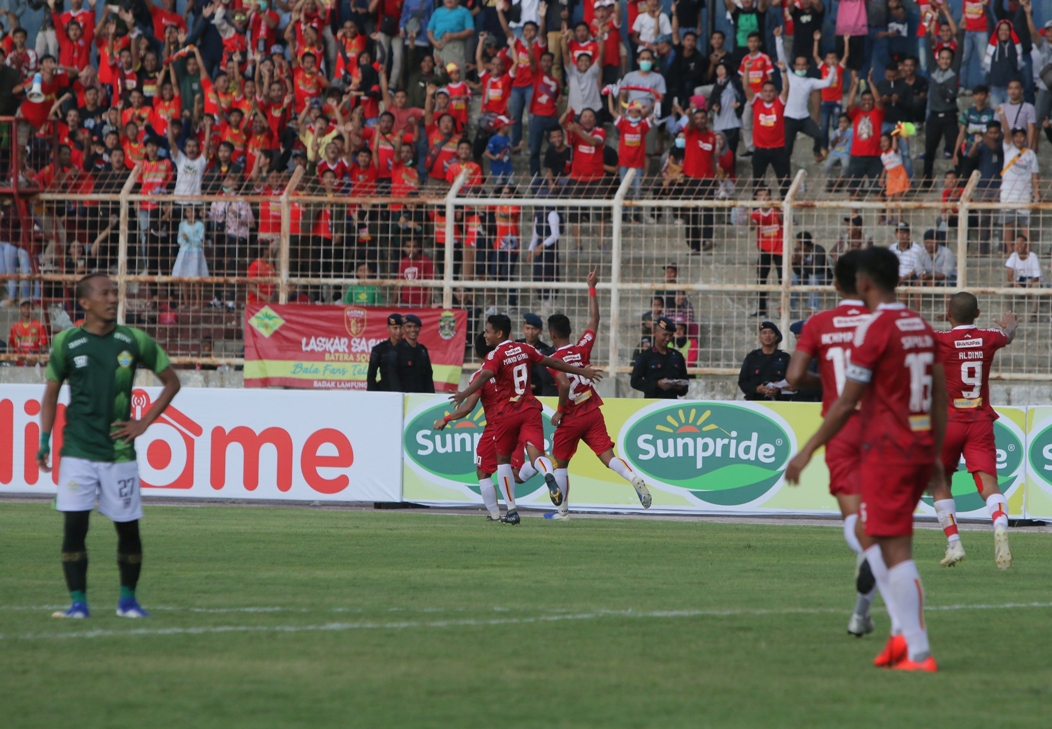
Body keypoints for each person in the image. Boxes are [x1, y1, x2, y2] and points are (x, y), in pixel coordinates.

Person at [786, 247, 946, 673]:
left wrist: (805, 451)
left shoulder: (874, 329)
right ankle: (900, 641)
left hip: (887, 448)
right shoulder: (920, 324)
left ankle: (916, 650)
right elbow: (941, 395)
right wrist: (936, 451)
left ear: (862, 283)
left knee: (892, 550)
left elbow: (842, 404)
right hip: (916, 444)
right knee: (883, 540)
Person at [39, 273, 181, 621]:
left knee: (128, 529)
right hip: (77, 452)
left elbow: (171, 382)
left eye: (115, 292)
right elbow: (52, 393)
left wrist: (143, 423)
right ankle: (78, 604)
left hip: (119, 453)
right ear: (85, 302)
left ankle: (128, 602)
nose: (113, 297)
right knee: (75, 528)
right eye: (105, 293)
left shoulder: (133, 340)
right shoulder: (66, 343)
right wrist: (44, 438)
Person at [787, 249, 883, 637]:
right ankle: (863, 613)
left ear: (834, 284)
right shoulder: (881, 322)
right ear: (866, 285)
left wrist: (828, 382)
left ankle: (867, 580)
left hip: (839, 427)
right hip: (882, 426)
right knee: (883, 523)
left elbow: (793, 377)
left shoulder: (819, 323)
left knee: (854, 517)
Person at [450, 313, 602, 525]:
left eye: (488, 331)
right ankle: (548, 474)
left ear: (499, 333)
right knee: (536, 455)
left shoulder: (496, 355)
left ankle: (511, 510)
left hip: (507, 413)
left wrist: (464, 393)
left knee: (503, 462)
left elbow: (484, 375)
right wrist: (580, 371)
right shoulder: (526, 348)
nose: (486, 335)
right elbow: (553, 362)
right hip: (529, 409)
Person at [545, 269, 653, 519]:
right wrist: (591, 286)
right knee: (608, 457)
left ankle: (562, 513)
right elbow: (595, 319)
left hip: (571, 417)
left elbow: (562, 384)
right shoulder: (582, 347)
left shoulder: (553, 359)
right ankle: (633, 477)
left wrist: (560, 411)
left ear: (551, 335)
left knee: (560, 463)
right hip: (592, 412)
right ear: (571, 331)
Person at [932, 293, 1017, 571]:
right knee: (989, 485)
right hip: (979, 419)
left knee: (941, 482)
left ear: (948, 314)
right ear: (978, 313)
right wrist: (1009, 324)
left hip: (950, 421)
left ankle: (954, 543)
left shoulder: (941, 341)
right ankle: (1000, 526)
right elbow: (1008, 335)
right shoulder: (989, 337)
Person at [743, 67, 791, 195]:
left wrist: (784, 72)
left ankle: (787, 213)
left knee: (785, 183)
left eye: (771, 91)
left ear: (775, 93)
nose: (768, 93)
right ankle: (756, 212)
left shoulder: (779, 103)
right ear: (761, 93)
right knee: (757, 183)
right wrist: (747, 70)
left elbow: (786, 88)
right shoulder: (756, 103)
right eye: (765, 91)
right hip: (760, 150)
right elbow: (746, 87)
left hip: (778, 150)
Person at [845, 70, 886, 197]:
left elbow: (879, 100)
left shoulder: (877, 113)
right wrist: (855, 85)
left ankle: (881, 217)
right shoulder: (856, 112)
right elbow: (850, 103)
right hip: (857, 157)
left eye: (869, 99)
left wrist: (870, 83)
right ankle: (854, 216)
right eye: (864, 99)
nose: (866, 102)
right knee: (854, 190)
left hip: (875, 156)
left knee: (878, 190)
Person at [630, 316, 688, 399]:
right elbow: (635, 382)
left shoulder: (677, 357)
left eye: (670, 335)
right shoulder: (645, 356)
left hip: (672, 404)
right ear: (655, 332)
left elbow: (685, 384)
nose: (667, 339)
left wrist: (679, 387)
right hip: (652, 404)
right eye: (664, 335)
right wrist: (657, 384)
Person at [750, 186, 783, 317]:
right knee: (761, 280)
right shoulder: (756, 213)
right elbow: (752, 227)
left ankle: (784, 308)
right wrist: (747, 214)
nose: (764, 198)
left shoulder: (777, 209)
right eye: (760, 195)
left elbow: (783, 218)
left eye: (766, 195)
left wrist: (775, 206)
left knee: (783, 280)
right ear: (756, 198)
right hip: (764, 249)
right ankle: (762, 309)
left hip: (780, 249)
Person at [738, 320, 790, 401]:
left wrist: (778, 389)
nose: (767, 335)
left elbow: (792, 382)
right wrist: (756, 389)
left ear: (776, 337)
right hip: (755, 403)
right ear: (760, 337)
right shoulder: (752, 357)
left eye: (771, 332)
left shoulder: (785, 358)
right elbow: (742, 381)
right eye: (764, 333)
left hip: (779, 403)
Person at [384, 313, 435, 393]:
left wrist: (431, 396)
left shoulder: (423, 350)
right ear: (403, 329)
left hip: (421, 398)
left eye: (416, 326)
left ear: (419, 329)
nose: (413, 329)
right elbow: (393, 377)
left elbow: (428, 376)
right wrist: (399, 397)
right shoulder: (396, 351)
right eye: (409, 326)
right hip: (404, 399)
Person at [517, 312, 556, 397]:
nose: (530, 332)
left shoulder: (546, 350)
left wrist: (535, 386)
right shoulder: (516, 345)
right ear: (522, 328)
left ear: (540, 330)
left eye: (534, 329)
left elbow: (549, 378)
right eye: (527, 328)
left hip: (537, 394)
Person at [366, 314, 404, 391]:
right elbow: (371, 374)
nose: (398, 331)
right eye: (395, 328)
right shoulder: (379, 349)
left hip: (406, 391)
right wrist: (371, 394)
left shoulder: (409, 348)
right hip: (385, 391)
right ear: (388, 328)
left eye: (401, 328)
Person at [8, 299, 48, 364]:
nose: (26, 308)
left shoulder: (39, 325)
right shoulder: (14, 326)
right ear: (20, 308)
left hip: (34, 364)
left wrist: (36, 359)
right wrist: (12, 359)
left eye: (29, 306)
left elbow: (44, 346)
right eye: (24, 306)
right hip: (18, 365)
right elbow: (11, 344)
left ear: (32, 308)